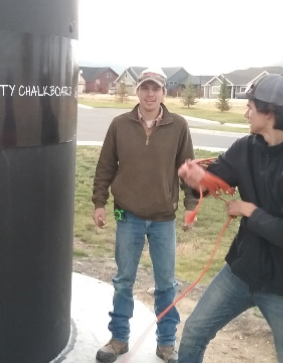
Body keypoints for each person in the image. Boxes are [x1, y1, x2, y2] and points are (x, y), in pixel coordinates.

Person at [176, 74, 283, 363]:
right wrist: (197, 179)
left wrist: (248, 210)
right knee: (194, 331)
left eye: (250, 107)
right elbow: (214, 181)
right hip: (241, 271)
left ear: (269, 112)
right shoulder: (246, 147)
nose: (246, 113)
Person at [92, 67, 198, 363]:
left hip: (164, 218)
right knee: (123, 280)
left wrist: (192, 205)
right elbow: (105, 167)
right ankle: (118, 339)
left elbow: (187, 168)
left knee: (166, 283)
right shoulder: (119, 124)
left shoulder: (178, 126)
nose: (150, 94)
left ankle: (166, 343)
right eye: (145, 88)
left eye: (156, 88)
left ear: (164, 92)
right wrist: (99, 202)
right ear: (137, 91)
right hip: (128, 216)